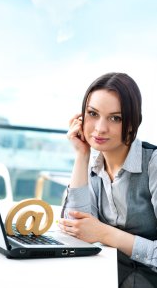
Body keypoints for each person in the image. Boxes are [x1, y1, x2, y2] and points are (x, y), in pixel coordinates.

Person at [58, 72, 157, 288]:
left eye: (115, 118)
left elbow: (93, 231)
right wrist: (82, 155)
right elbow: (76, 228)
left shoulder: (153, 164)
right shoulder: (94, 164)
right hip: (109, 276)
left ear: (131, 123)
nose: (100, 128)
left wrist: (103, 232)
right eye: (93, 114)